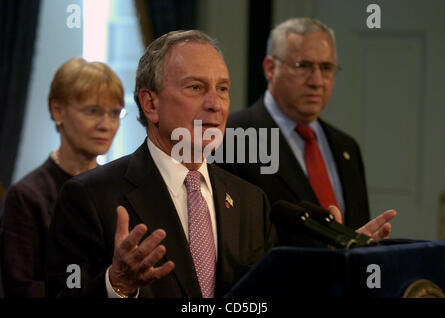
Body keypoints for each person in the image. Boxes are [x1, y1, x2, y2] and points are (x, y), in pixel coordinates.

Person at [45, 30, 276, 298]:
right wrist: (117, 285)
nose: (216, 105)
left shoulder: (250, 201)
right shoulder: (88, 198)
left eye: (222, 89)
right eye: (196, 88)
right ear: (150, 103)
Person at [222, 18, 376, 247]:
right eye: (303, 66)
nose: (316, 81)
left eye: (326, 68)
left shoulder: (347, 147)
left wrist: (361, 244)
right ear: (270, 69)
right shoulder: (233, 136)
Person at [0, 57, 125, 298]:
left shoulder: (119, 189)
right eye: (93, 111)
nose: (106, 125)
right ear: (58, 110)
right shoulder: (27, 197)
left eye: (114, 113)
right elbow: (23, 291)